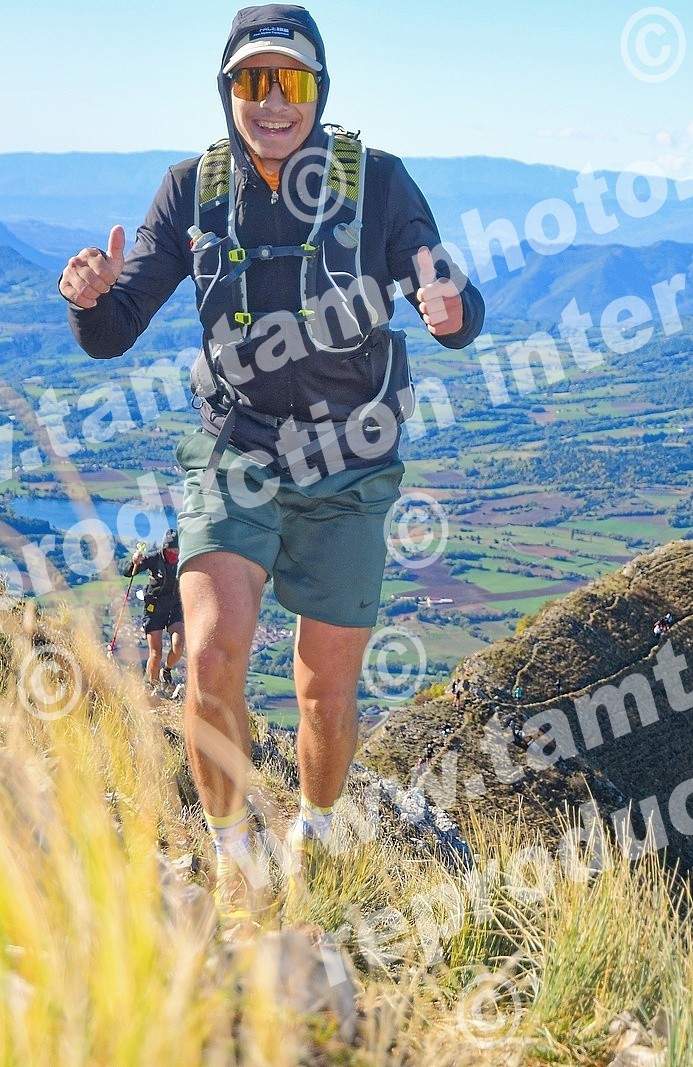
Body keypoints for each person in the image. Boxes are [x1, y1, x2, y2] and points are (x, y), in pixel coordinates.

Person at [60, 4, 485, 929]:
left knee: (324, 692)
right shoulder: (192, 190)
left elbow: (446, 287)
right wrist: (89, 300)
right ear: (228, 92)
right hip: (235, 452)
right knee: (212, 656)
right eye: (252, 81)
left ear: (318, 90)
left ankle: (316, 833)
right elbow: (116, 327)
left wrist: (451, 309)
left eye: (289, 81)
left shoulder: (377, 182)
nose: (272, 101)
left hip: (350, 462)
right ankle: (233, 856)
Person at [126, 530, 185, 691]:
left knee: (178, 646)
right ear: (164, 548)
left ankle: (166, 670)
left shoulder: (183, 561)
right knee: (156, 653)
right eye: (171, 549)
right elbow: (128, 573)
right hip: (154, 608)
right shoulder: (154, 559)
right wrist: (134, 562)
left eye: (177, 549)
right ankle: (153, 688)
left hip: (175, 607)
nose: (175, 553)